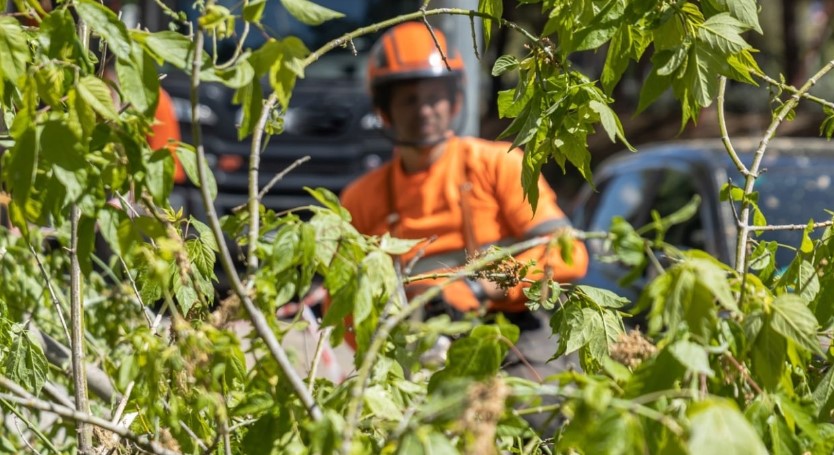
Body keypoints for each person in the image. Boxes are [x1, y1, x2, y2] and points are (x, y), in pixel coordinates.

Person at [339, 22, 588, 381]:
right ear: (385, 109)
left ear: (455, 98)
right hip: (416, 345)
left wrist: (479, 287)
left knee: (536, 402)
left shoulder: (498, 164)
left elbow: (568, 254)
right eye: (409, 99)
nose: (424, 110)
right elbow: (345, 309)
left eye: (434, 96)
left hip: (514, 331)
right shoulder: (361, 198)